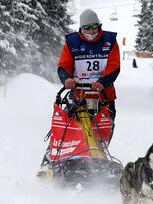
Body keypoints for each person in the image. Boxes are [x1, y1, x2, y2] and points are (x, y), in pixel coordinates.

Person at [39, 9, 120, 170]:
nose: (91, 31)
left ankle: (98, 162)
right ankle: (51, 162)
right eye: (87, 28)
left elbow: (114, 66)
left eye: (94, 27)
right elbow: (63, 66)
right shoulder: (72, 42)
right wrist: (67, 79)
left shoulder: (110, 41)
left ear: (99, 26)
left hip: (102, 97)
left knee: (101, 132)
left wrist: (102, 82)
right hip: (78, 96)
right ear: (81, 28)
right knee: (66, 128)